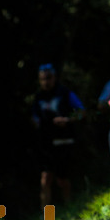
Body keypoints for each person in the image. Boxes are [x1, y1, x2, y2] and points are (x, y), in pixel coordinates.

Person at [31, 63, 85, 208]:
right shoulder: (38, 97)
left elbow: (81, 112)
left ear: (54, 77)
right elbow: (34, 116)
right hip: (46, 143)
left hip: (64, 141)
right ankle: (45, 217)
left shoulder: (65, 93)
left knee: (62, 179)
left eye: (48, 78)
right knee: (46, 177)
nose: (45, 82)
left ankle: (69, 207)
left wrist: (67, 120)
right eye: (42, 79)